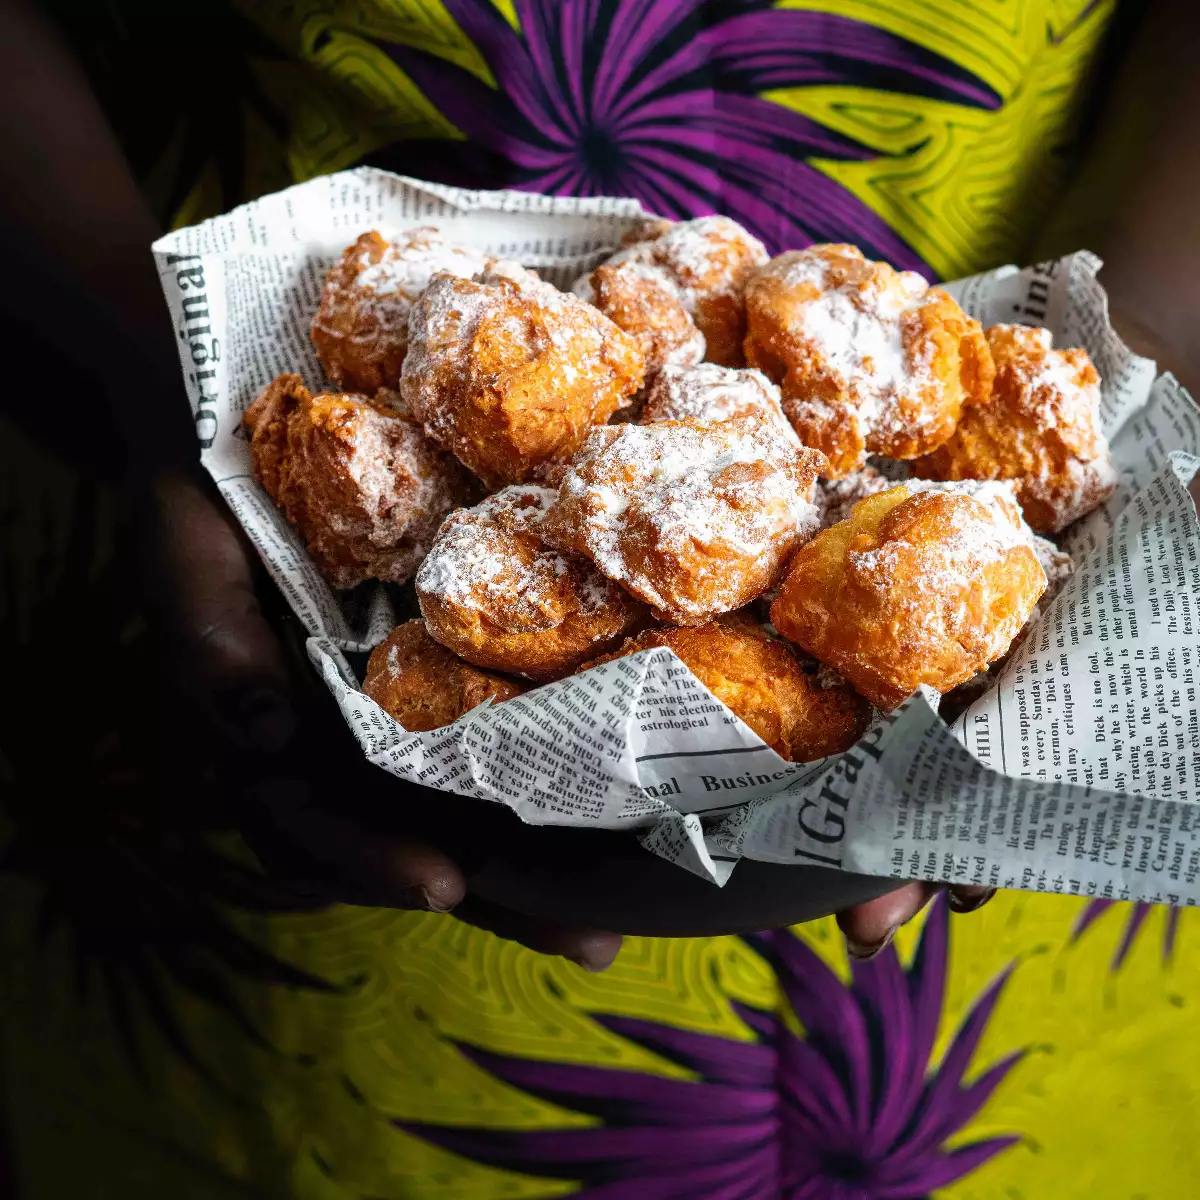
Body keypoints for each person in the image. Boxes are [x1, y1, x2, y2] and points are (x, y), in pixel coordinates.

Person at [0, 0, 1196, 1195]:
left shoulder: (855, 451)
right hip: (203, 667)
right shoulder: (570, 453)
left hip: (976, 988)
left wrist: (1140, 319)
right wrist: (146, 392)